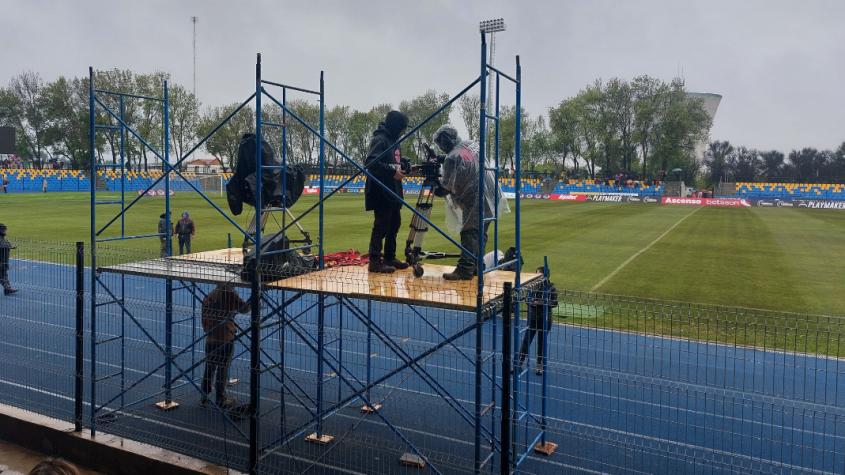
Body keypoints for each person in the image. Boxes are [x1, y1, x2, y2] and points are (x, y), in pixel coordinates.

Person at [432, 124, 507, 280]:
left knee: (470, 231)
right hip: (492, 193)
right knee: (481, 232)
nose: (441, 148)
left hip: (476, 198)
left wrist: (435, 187)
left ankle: (465, 269)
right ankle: (477, 266)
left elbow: (446, 187)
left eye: (440, 144)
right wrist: (443, 159)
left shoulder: (452, 158)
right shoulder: (470, 144)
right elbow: (465, 161)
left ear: (445, 140)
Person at [364, 110, 410, 274]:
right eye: (402, 128)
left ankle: (390, 257)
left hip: (393, 190)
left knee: (394, 224)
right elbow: (371, 163)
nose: (403, 131)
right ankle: (375, 262)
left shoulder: (394, 140)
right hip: (381, 191)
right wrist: (392, 172)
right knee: (381, 226)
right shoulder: (381, 139)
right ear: (396, 126)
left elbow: (393, 162)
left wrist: (402, 165)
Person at [201, 283, 249, 408]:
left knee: (210, 367)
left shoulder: (210, 296)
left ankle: (204, 395)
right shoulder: (230, 294)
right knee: (222, 368)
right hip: (225, 337)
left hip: (211, 337)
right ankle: (220, 398)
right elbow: (244, 309)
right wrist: (255, 299)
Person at [517, 267, 558, 375]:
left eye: (539, 275)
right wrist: (531, 302)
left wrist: (540, 303)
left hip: (545, 319)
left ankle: (540, 366)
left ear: (545, 276)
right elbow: (527, 299)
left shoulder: (551, 287)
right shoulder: (532, 286)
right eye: (535, 275)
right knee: (526, 341)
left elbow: (554, 303)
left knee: (541, 343)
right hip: (532, 318)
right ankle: (519, 363)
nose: (536, 278)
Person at [0, 224, 18, 296]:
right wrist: (10, 246)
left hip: (4, 260)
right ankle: (7, 288)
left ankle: (7, 289)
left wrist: (10, 246)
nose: (5, 231)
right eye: (3, 230)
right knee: (2, 275)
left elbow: (6, 244)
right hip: (1, 261)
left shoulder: (2, 238)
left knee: (4, 275)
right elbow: (3, 245)